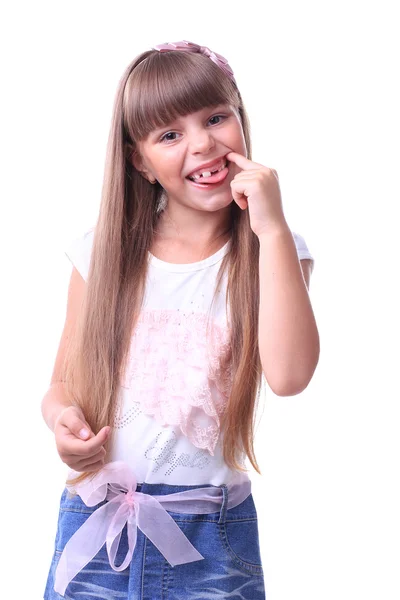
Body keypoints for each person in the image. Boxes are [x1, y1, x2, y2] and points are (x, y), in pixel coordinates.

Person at [42, 40, 319, 600]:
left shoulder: (275, 249)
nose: (203, 143)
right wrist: (62, 423)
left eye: (216, 117)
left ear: (240, 118)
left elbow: (289, 376)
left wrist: (271, 230)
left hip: (212, 530)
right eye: (169, 134)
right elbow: (62, 384)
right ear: (139, 161)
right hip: (97, 517)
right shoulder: (102, 253)